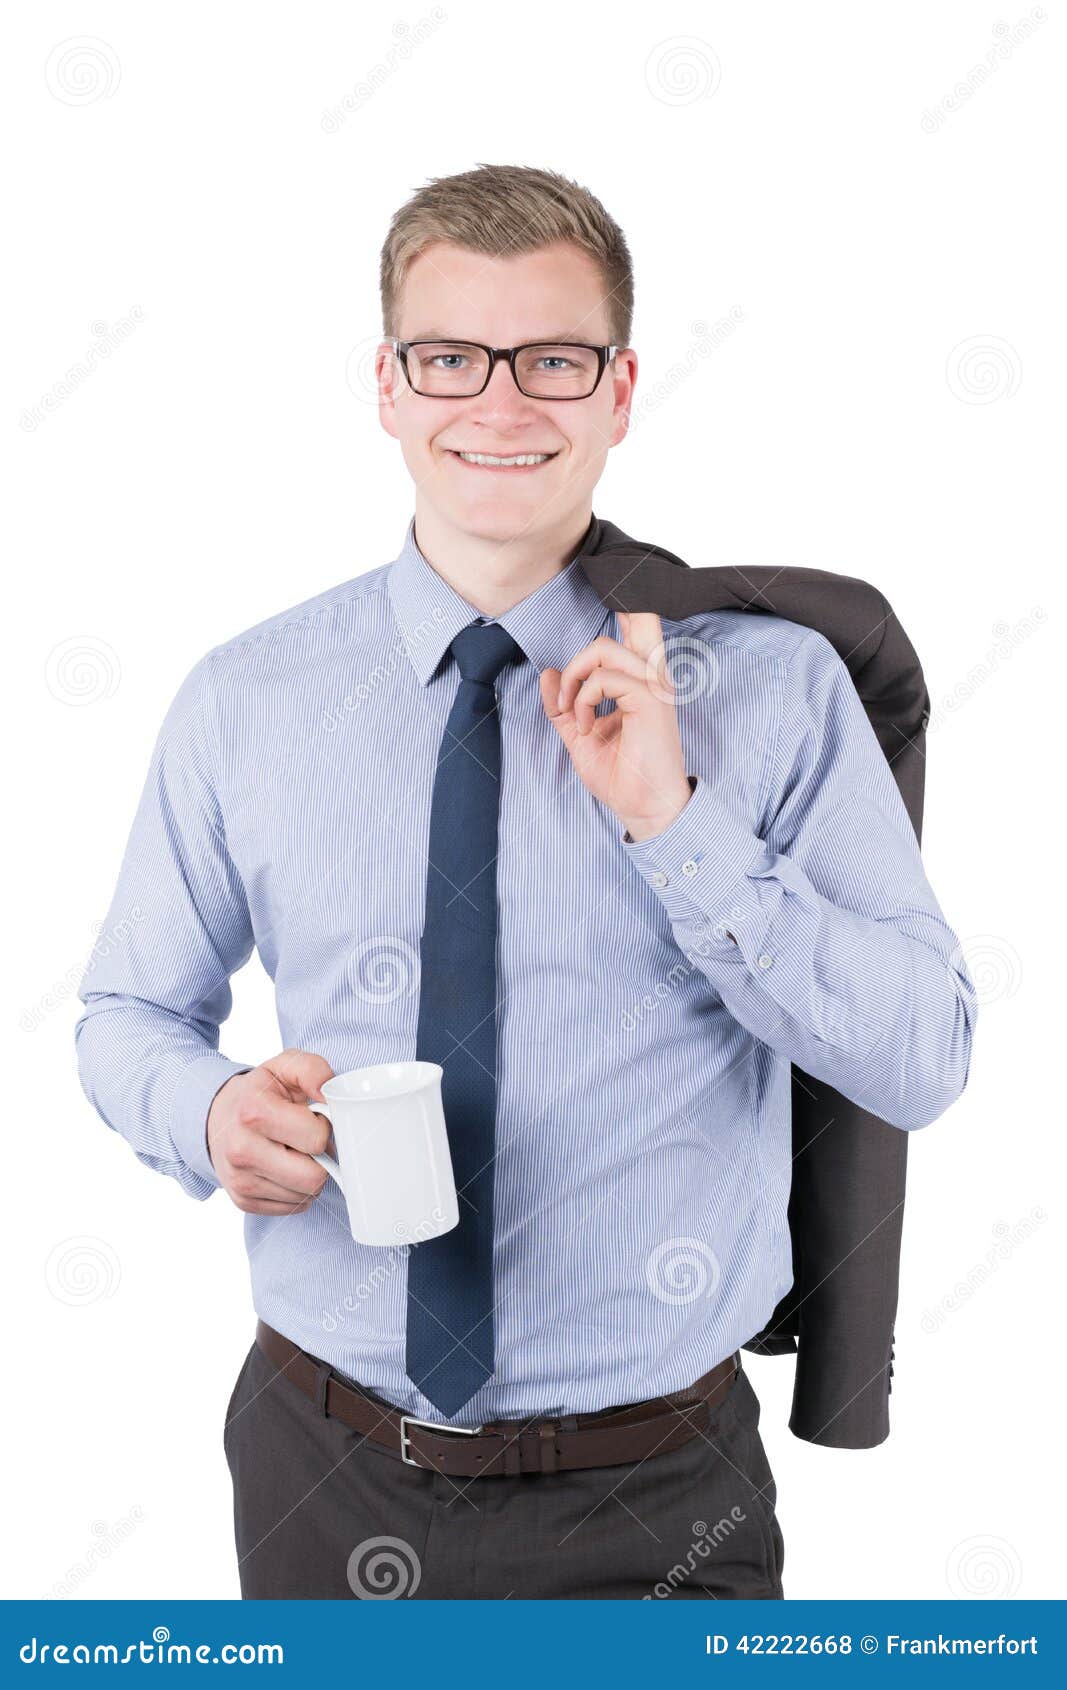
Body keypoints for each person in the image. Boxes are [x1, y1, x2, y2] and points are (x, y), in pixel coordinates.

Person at [75, 163, 977, 1600]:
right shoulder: (245, 698)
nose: (500, 405)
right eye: (452, 357)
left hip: (661, 1497)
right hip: (323, 1468)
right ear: (387, 383)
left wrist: (675, 820)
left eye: (553, 359)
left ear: (619, 391)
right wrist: (209, 1109)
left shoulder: (776, 691)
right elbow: (125, 1009)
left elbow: (922, 1055)